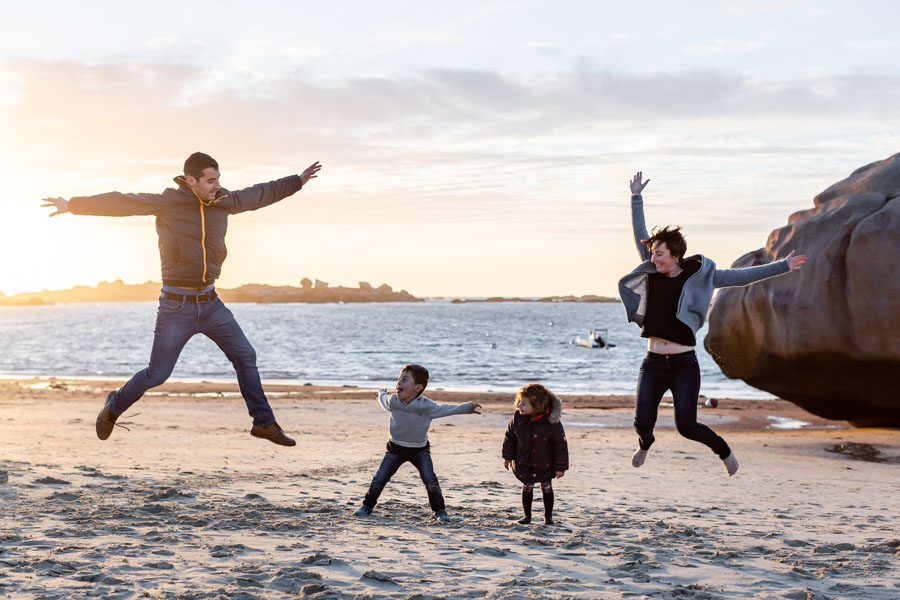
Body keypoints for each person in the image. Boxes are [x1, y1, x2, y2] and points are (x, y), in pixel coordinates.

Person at [41, 152, 322, 446]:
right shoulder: (169, 202)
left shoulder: (224, 201)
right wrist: (73, 205)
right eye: (210, 180)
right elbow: (122, 202)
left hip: (211, 304)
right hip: (176, 306)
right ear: (191, 180)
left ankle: (263, 422)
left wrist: (296, 181)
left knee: (245, 356)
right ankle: (114, 405)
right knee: (157, 374)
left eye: (218, 179)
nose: (217, 185)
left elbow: (260, 193)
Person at [618, 172, 806, 476]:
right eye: (652, 253)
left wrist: (783, 266)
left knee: (686, 426)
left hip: (683, 365)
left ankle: (724, 452)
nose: (653, 258)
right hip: (652, 362)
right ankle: (645, 444)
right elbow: (640, 233)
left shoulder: (703, 276)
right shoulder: (651, 271)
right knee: (641, 423)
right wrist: (636, 197)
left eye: (659, 253)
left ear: (675, 256)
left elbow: (742, 277)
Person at [353, 364, 482, 522]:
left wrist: (468, 407)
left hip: (419, 451)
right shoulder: (393, 401)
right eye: (399, 379)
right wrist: (380, 394)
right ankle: (367, 506)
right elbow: (383, 400)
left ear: (418, 387)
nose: (399, 383)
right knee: (380, 478)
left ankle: (440, 511)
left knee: (430, 480)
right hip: (395, 449)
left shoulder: (427, 406)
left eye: (405, 380)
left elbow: (446, 409)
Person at [502, 383, 568, 525]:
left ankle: (548, 517)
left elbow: (561, 445)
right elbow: (510, 437)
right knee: (527, 486)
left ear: (538, 405)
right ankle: (527, 516)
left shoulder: (552, 422)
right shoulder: (518, 419)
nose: (519, 406)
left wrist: (561, 466)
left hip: (545, 463)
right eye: (519, 402)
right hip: (524, 461)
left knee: (546, 486)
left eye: (524, 404)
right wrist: (508, 457)